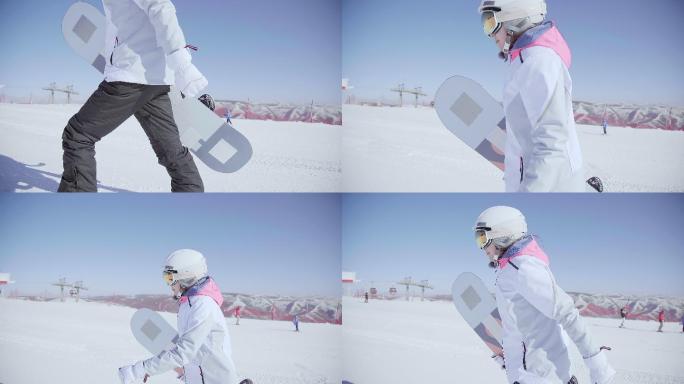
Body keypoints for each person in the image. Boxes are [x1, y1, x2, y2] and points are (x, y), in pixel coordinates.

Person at [59, 0, 206, 192]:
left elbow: (161, 7)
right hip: (155, 81)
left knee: (78, 135)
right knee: (171, 151)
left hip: (129, 77)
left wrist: (182, 62)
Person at [474, 206, 616, 384]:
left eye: (482, 238)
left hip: (539, 375)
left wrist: (598, 366)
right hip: (532, 372)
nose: (481, 247)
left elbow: (567, 313)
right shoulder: (511, 268)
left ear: (503, 234)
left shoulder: (523, 268)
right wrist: (512, 362)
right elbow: (527, 325)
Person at [478, 0, 585, 192]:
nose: (490, 34)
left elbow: (551, 145)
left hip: (551, 188)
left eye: (490, 22)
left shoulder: (538, 62)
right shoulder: (523, 60)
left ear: (515, 19)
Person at [118, 249, 239, 384]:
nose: (168, 283)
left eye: (169, 278)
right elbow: (198, 351)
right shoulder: (189, 303)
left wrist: (139, 370)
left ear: (185, 276)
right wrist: (188, 374)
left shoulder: (202, 305)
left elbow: (184, 352)